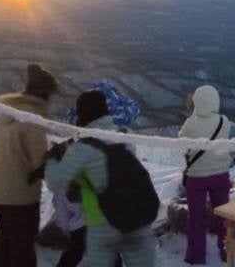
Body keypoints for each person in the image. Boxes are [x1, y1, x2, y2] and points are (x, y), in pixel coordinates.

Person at [44, 91, 158, 267]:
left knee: (77, 253)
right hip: (125, 212)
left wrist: (51, 159)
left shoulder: (78, 149)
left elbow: (59, 190)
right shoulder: (124, 136)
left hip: (93, 219)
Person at [0, 63, 56, 267]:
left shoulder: (9, 112)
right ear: (43, 93)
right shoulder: (32, 119)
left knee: (5, 241)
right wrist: (58, 156)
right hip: (20, 195)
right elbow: (39, 161)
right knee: (22, 247)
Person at [179, 85, 232, 265]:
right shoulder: (224, 121)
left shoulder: (190, 123)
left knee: (195, 217)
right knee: (223, 215)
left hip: (197, 177)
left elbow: (182, 143)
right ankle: (227, 250)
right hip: (220, 174)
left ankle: (196, 255)